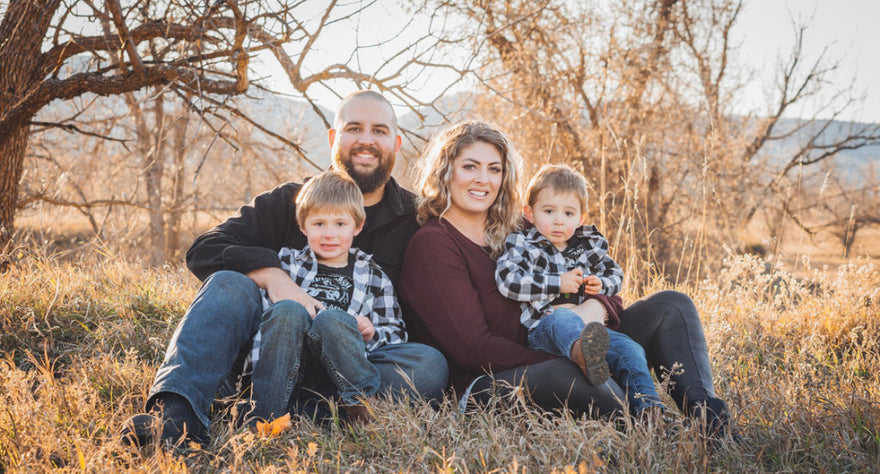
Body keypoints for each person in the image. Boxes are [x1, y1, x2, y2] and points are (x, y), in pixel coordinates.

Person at [122, 90, 448, 447]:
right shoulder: (289, 201)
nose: (366, 140)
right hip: (271, 351)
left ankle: (289, 407)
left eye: (379, 131)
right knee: (228, 283)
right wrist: (275, 278)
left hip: (355, 366)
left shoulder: (418, 218)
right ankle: (177, 413)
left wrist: (366, 335)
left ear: (396, 142)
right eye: (354, 128)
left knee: (429, 365)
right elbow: (204, 250)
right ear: (332, 138)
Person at [399, 121, 729, 436]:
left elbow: (598, 280)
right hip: (489, 379)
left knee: (671, 306)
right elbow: (473, 348)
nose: (482, 179)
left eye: (494, 169)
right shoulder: (434, 245)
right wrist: (573, 354)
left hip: (570, 342)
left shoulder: (526, 228)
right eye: (470, 166)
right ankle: (646, 425)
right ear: (446, 171)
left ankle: (710, 423)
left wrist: (593, 310)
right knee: (564, 373)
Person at [495, 164, 665, 417]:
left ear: (581, 218)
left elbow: (615, 274)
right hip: (545, 329)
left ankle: (650, 411)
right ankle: (583, 355)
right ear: (529, 213)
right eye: (549, 211)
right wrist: (557, 283)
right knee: (562, 318)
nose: (558, 220)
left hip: (592, 330)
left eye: (568, 213)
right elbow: (507, 280)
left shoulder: (588, 245)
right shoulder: (523, 243)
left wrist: (602, 285)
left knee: (631, 348)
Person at [245, 170, 407, 426]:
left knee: (332, 320)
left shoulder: (373, 275)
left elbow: (396, 334)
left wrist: (371, 333)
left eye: (340, 224)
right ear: (302, 226)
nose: (329, 234)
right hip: (287, 366)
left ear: (358, 226)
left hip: (337, 374)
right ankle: (267, 416)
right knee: (287, 310)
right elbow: (264, 322)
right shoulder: (286, 264)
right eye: (319, 224)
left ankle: (360, 405)